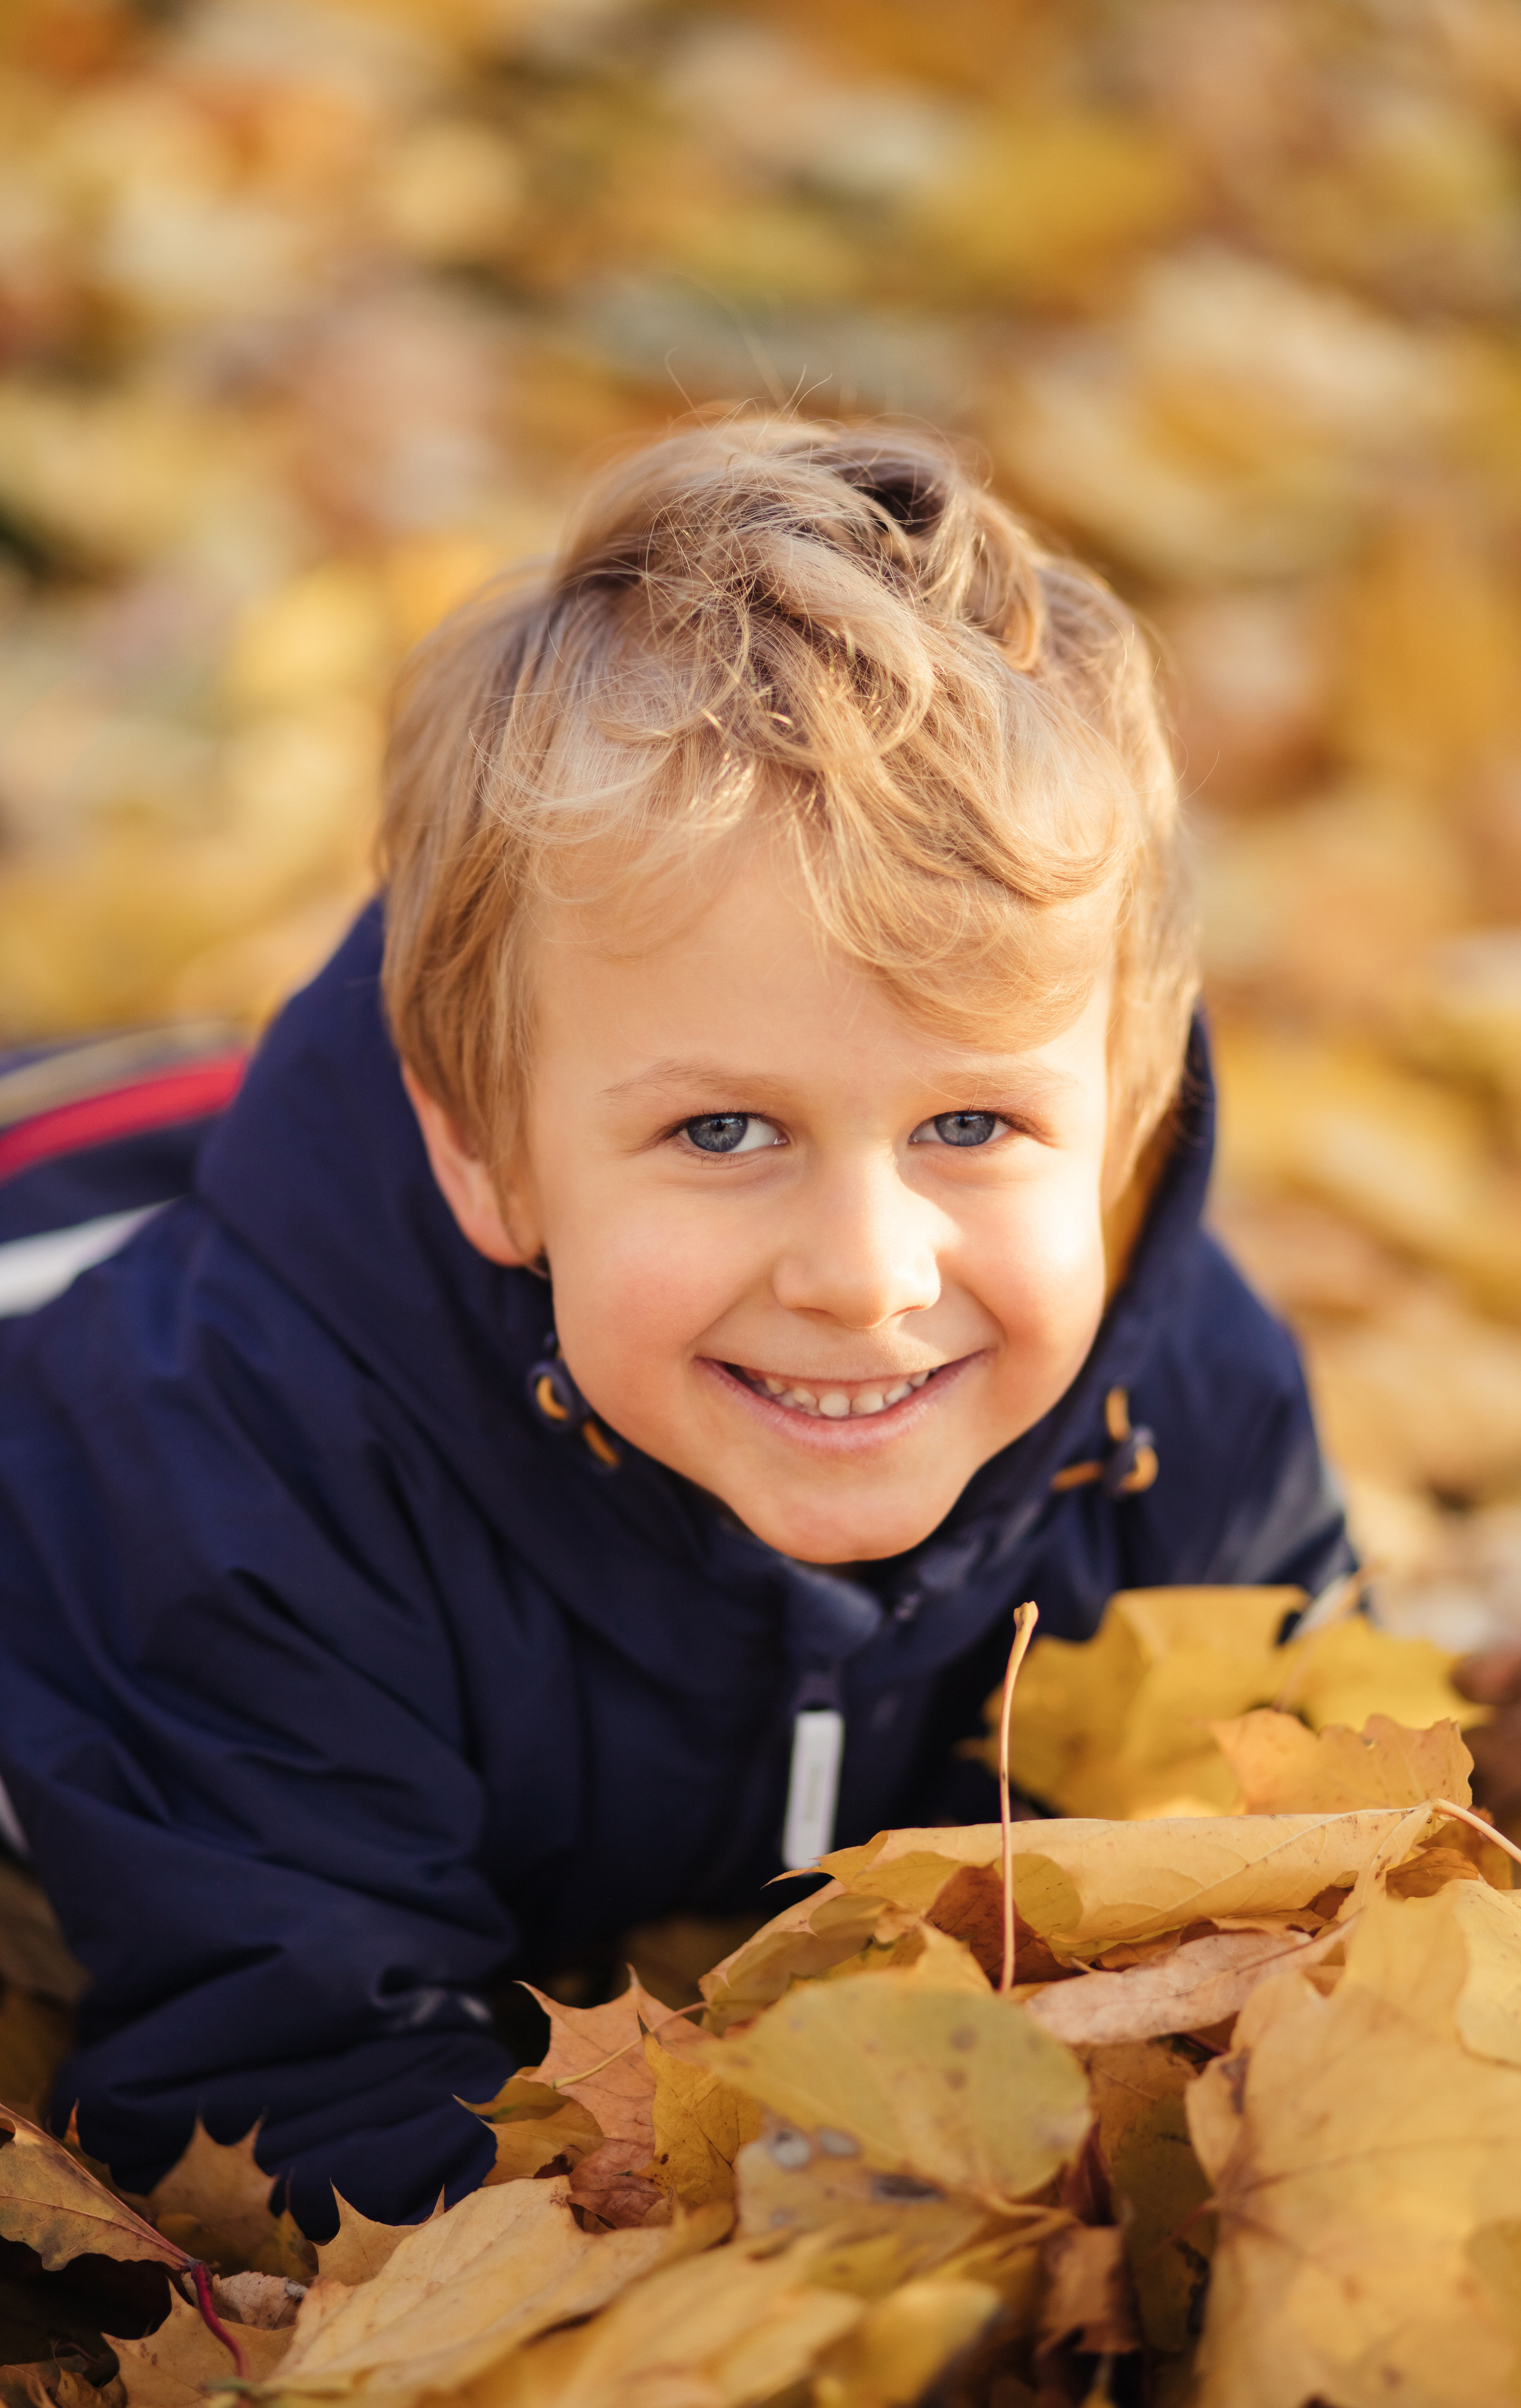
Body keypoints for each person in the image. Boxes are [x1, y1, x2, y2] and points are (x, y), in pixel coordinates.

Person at [0, 418, 1351, 2229]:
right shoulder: (237, 1484)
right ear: (485, 1155)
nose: (865, 1275)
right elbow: (289, 2084)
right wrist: (782, 2263)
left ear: (1113, 1133)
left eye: (972, 1125)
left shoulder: (1186, 1403)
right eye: (725, 1131)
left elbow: (1332, 1886)